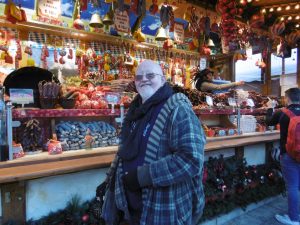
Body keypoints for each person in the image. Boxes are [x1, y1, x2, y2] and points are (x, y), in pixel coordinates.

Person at [101, 60, 206, 225]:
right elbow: (125, 151)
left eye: (150, 75)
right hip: (133, 210)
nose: (144, 79)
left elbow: (191, 160)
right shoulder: (136, 111)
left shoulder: (179, 110)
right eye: (138, 77)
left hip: (163, 211)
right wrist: (111, 179)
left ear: (163, 80)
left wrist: (142, 176)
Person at [266, 88, 300, 225]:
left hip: (289, 154)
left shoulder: (283, 113)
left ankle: (293, 218)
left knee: (292, 186)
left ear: (287, 98)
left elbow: (268, 122)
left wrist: (270, 108)